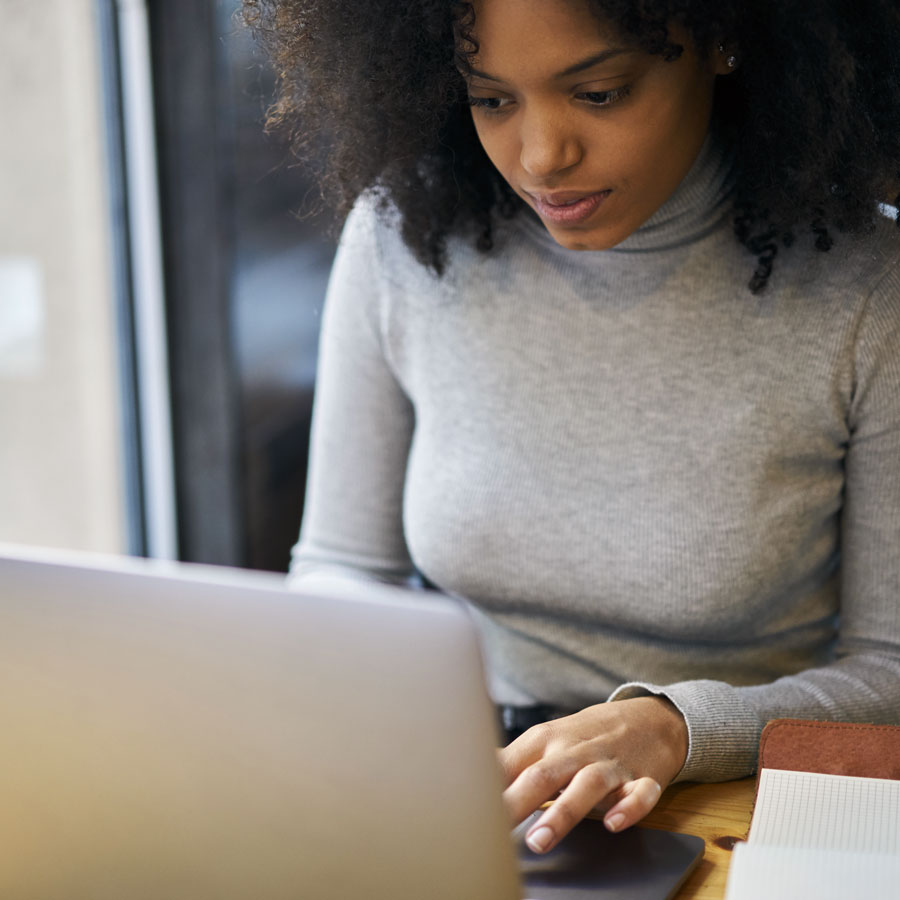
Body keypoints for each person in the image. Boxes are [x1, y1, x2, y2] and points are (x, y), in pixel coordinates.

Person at [243, 0, 900, 856]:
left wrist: (676, 727)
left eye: (597, 93)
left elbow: (891, 668)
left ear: (726, 42)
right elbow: (342, 569)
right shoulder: (406, 235)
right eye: (492, 100)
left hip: (749, 818)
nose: (542, 156)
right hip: (484, 797)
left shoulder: (869, 295)